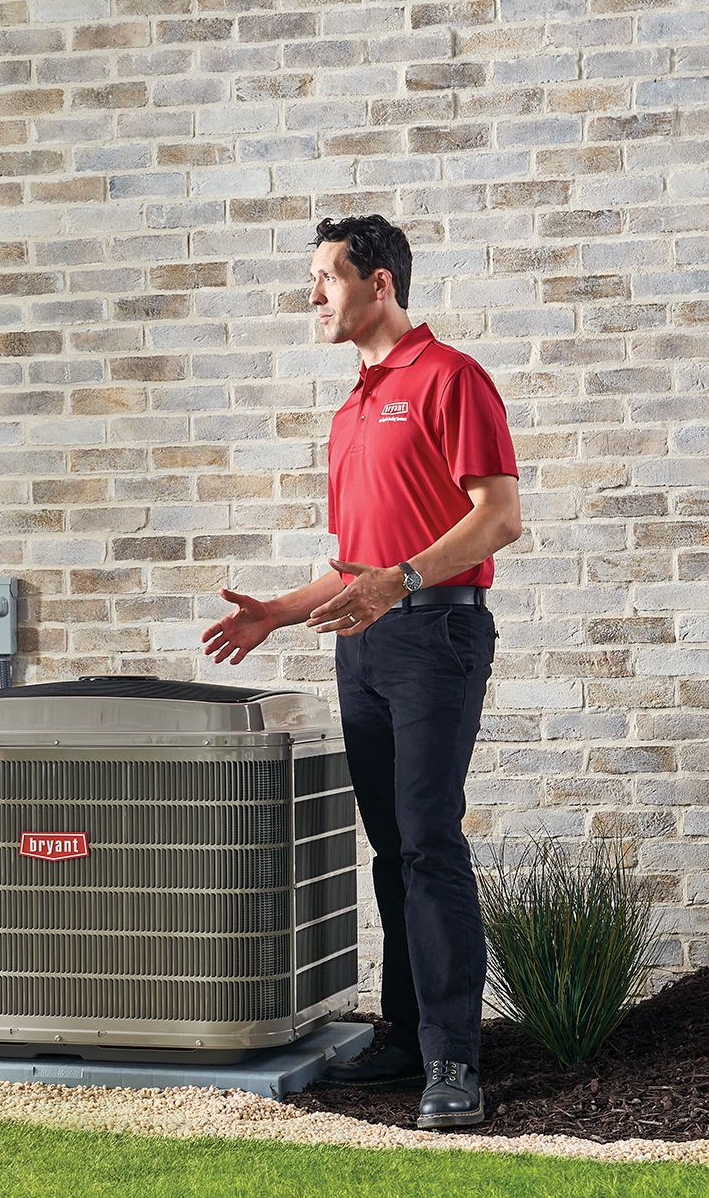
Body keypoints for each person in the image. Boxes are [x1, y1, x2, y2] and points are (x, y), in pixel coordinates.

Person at [201, 214, 522, 1130]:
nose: (312, 295)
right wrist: (277, 610)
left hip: (436, 636)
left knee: (429, 840)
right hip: (366, 640)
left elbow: (498, 516)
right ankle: (405, 1031)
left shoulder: (450, 378)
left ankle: (455, 1059)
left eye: (326, 277)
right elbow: (356, 562)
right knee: (390, 845)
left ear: (379, 283)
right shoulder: (351, 408)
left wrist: (404, 580)